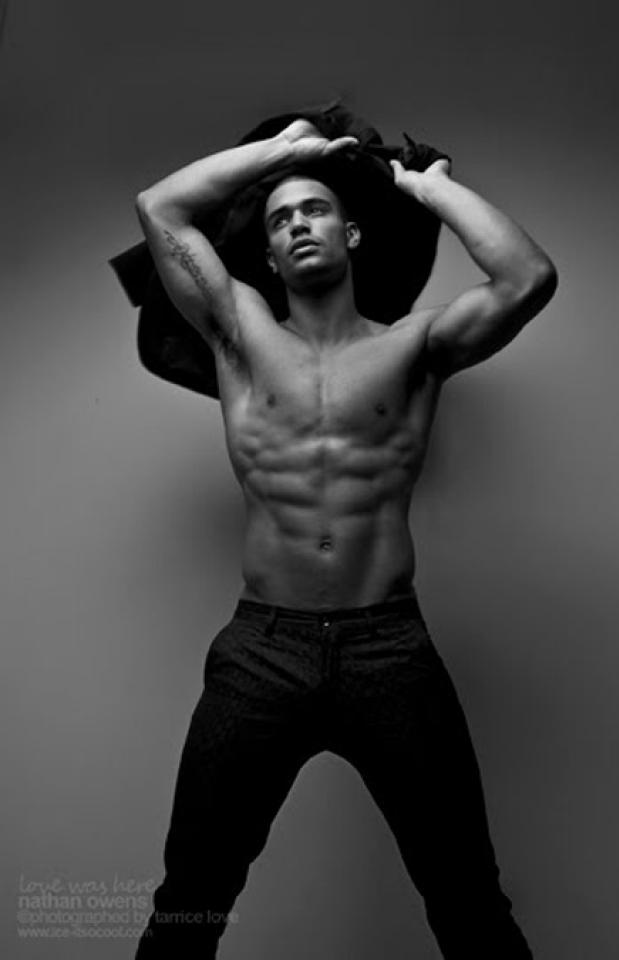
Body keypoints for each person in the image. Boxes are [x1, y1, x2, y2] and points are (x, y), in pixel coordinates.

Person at [131, 114, 557, 958]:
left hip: (388, 651)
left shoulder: (416, 346)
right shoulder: (239, 335)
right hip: (264, 651)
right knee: (191, 899)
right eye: (282, 217)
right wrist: (287, 153)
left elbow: (527, 277)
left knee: (468, 901)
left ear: (352, 233)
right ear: (268, 253)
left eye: (316, 209)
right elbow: (161, 208)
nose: (298, 223)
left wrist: (425, 188)